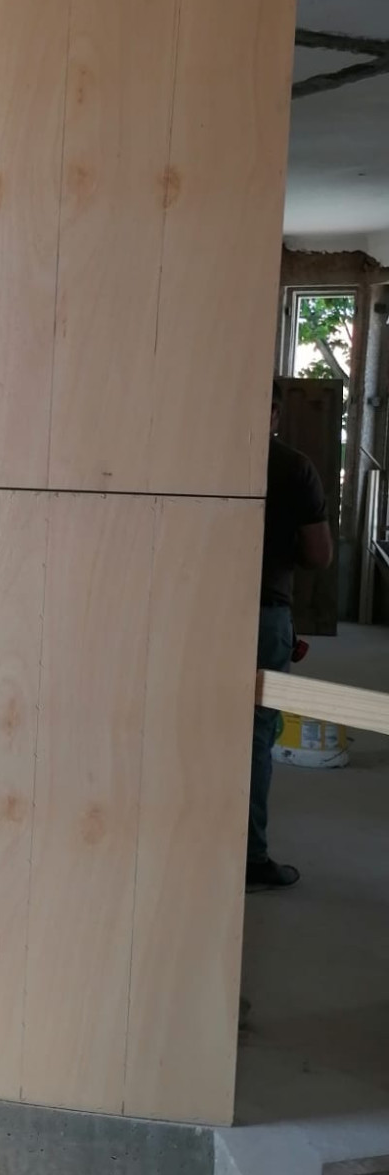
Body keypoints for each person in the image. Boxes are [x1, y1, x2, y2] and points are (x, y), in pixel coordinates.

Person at [248, 379, 334, 889]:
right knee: (255, 735)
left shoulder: (193, 460)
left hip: (194, 612)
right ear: (275, 414)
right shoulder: (293, 467)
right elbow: (320, 554)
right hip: (264, 614)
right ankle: (249, 859)